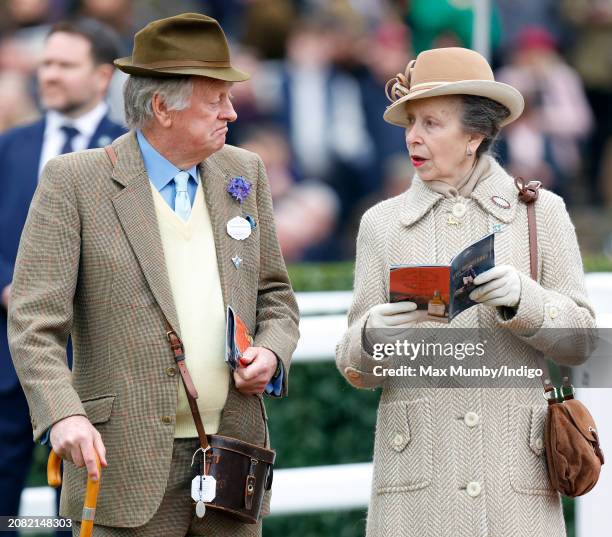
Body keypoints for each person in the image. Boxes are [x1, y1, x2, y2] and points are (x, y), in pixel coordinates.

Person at [8, 12, 299, 537]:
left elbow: (274, 294)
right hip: (120, 465)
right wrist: (63, 416)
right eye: (216, 100)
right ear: (162, 107)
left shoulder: (244, 171)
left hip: (232, 459)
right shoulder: (74, 181)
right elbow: (33, 323)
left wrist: (273, 354)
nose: (232, 112)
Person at [336, 47, 596, 537]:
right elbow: (353, 369)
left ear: (474, 135)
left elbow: (584, 344)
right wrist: (372, 335)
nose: (413, 136)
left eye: (431, 123)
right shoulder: (381, 224)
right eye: (410, 122)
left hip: (516, 493)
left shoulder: (542, 212)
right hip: (415, 496)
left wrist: (525, 300)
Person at [0, 18, 125, 530]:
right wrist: (10, 285)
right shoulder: (12, 147)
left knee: (75, 518)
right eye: (45, 63)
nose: (49, 75)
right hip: (7, 362)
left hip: (90, 364)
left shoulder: (128, 152)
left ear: (101, 76)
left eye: (64, 65)